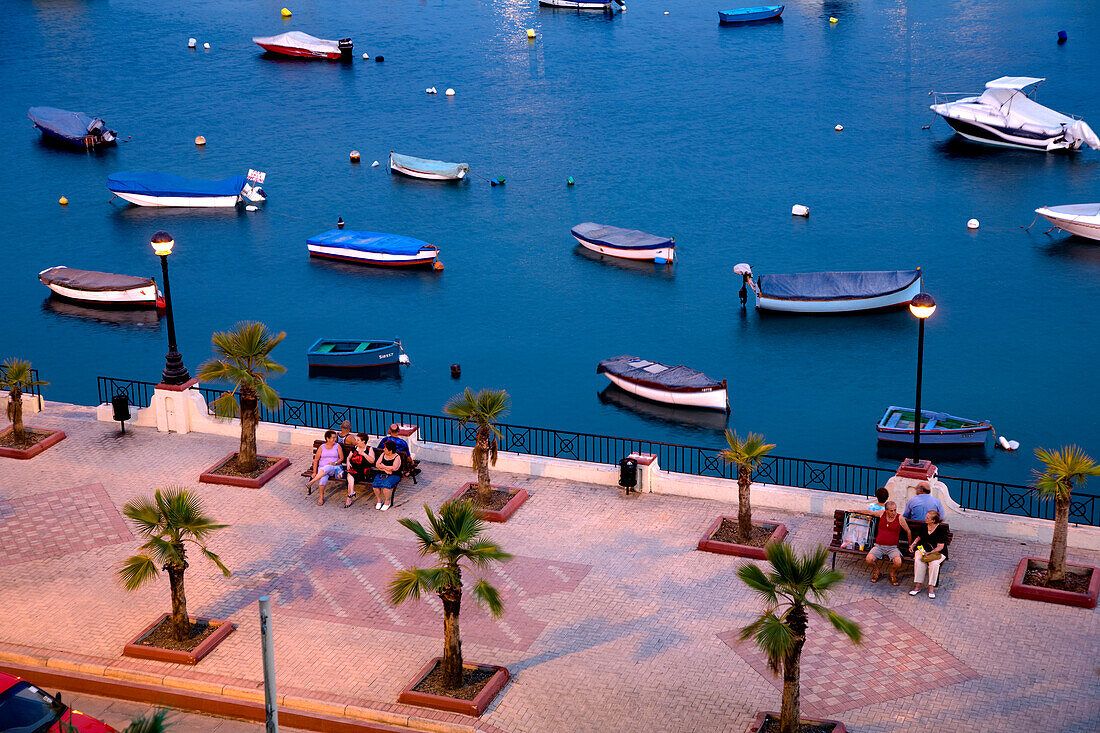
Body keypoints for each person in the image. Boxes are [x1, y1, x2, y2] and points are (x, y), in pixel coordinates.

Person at [864, 501, 913, 586]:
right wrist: (853, 510)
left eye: (895, 510)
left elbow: (908, 531)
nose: (894, 512)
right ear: (886, 510)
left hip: (892, 548)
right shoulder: (881, 514)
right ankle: (877, 572)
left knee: (898, 562)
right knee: (869, 559)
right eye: (891, 510)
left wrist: (910, 545)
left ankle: (892, 574)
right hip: (879, 546)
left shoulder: (900, 518)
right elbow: (869, 512)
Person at [909, 510, 949, 599]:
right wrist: (913, 544)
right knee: (918, 561)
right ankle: (917, 586)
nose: (925, 518)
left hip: (937, 552)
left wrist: (931, 552)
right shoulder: (924, 526)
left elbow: (940, 546)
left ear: (933, 520)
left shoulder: (940, 530)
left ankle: (931, 588)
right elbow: (919, 537)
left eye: (927, 518)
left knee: (934, 564)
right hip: (924, 549)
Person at [308, 430, 345, 506]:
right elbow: (316, 460)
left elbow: (341, 458)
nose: (335, 439)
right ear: (328, 439)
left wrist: (334, 463)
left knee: (328, 467)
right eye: (333, 438)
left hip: (335, 468)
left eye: (335, 438)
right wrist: (314, 472)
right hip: (322, 469)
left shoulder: (337, 446)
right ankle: (321, 496)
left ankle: (312, 482)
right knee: (323, 479)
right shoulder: (322, 447)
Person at [344, 433, 376, 508]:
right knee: (349, 474)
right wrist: (348, 462)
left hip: (364, 471)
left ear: (363, 441)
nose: (356, 441)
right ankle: (351, 493)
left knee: (350, 475)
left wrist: (364, 454)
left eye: (358, 440)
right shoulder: (354, 448)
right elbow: (348, 457)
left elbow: (372, 461)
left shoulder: (369, 449)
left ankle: (349, 497)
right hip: (353, 469)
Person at [371, 440, 403, 511]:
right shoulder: (383, 454)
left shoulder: (397, 457)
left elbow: (394, 468)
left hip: (394, 475)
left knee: (386, 485)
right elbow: (377, 464)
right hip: (383, 473)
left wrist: (383, 466)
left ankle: (387, 502)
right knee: (375, 484)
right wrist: (386, 470)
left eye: (385, 448)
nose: (383, 449)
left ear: (390, 451)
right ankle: (379, 500)